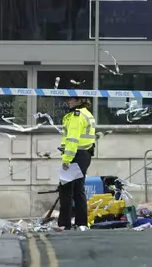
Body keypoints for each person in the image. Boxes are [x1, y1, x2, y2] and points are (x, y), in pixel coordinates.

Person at [58, 89, 96, 230]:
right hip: (84, 155)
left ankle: (64, 224)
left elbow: (73, 140)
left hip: (74, 156)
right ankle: (81, 223)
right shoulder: (87, 114)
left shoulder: (76, 116)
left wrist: (66, 159)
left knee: (66, 190)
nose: (68, 100)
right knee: (79, 190)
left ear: (80, 100)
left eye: (72, 98)